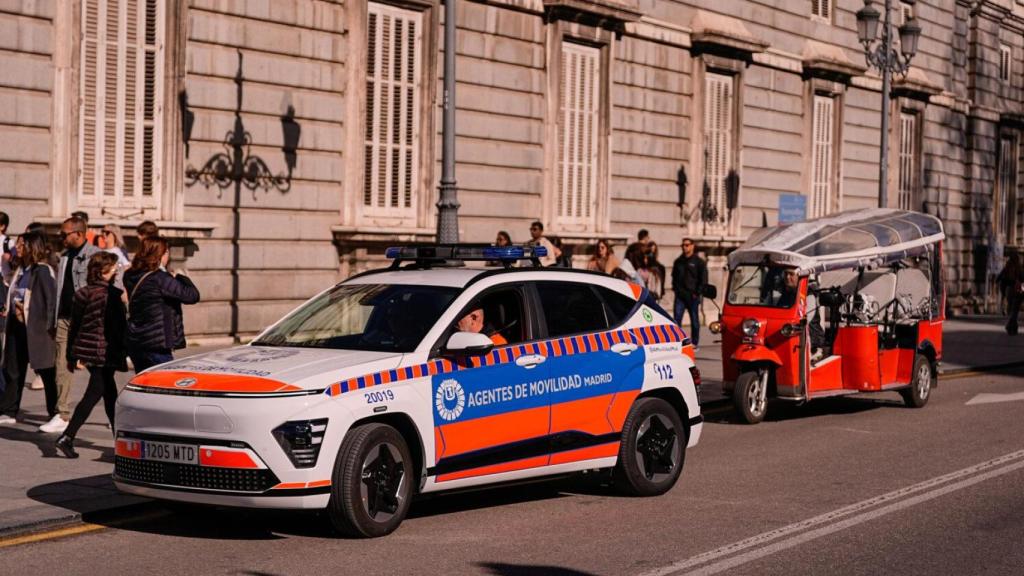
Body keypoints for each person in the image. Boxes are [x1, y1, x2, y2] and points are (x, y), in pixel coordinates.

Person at [55, 252, 127, 458]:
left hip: (89, 352)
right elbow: (118, 328)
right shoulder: (112, 295)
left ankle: (118, 443)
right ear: (105, 271)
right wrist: (124, 352)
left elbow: (74, 326)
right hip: (106, 352)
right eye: (114, 268)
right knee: (93, 394)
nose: (116, 271)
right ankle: (67, 436)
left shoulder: (81, 293)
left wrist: (71, 355)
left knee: (110, 397)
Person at [49, 217, 101, 434]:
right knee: (61, 365)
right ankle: (62, 414)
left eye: (65, 234)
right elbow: (60, 290)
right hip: (64, 317)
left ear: (79, 234)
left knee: (99, 369)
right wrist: (54, 320)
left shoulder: (95, 256)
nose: (61, 238)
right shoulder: (63, 257)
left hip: (86, 320)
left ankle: (115, 410)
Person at [0, 232, 58, 426]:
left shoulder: (42, 270)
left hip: (37, 328)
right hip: (17, 326)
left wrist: (50, 327)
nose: (18, 247)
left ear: (32, 246)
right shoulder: (21, 269)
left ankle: (56, 411)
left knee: (46, 370)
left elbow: (50, 301)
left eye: (22, 244)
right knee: (13, 368)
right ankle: (9, 409)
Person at [124, 236, 200, 372]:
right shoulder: (160, 278)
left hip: (137, 340)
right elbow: (192, 296)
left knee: (144, 383)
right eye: (166, 252)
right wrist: (181, 277)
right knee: (166, 383)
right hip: (157, 343)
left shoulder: (130, 275)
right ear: (161, 254)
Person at [671, 238, 707, 349]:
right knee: (676, 320)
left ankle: (694, 342)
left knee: (695, 320)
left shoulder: (699, 262)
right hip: (680, 296)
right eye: (683, 245)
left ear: (692, 246)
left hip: (693, 296)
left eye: (687, 245)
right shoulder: (678, 261)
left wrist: (697, 293)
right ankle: (678, 341)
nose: (684, 247)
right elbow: (674, 277)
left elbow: (703, 279)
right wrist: (676, 289)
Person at [998, 252, 1023, 335]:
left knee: (1011, 309)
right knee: (1014, 310)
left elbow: (999, 278)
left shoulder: (1007, 267)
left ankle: (1012, 327)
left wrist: (1003, 290)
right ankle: (1011, 326)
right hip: (1017, 291)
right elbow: (1022, 279)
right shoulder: (1019, 268)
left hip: (1009, 290)